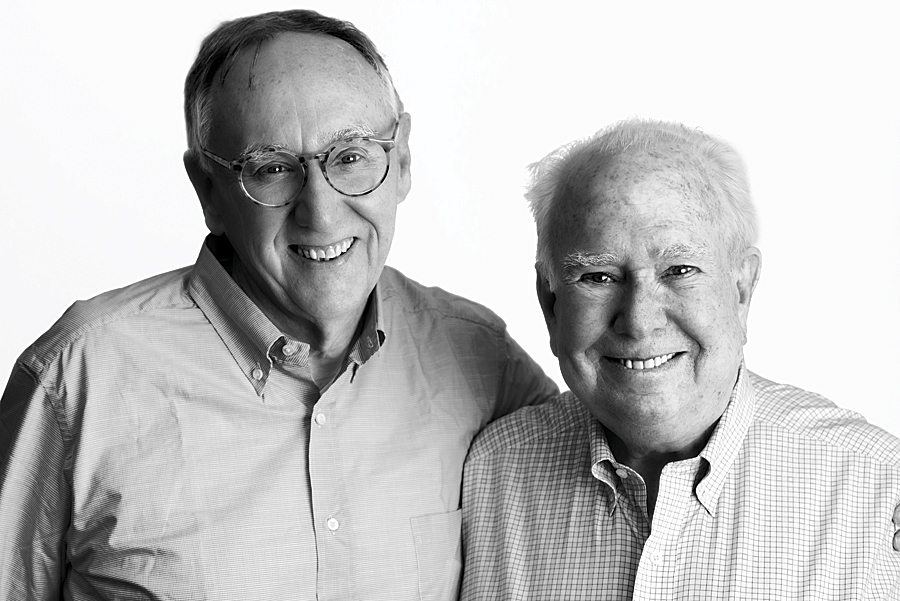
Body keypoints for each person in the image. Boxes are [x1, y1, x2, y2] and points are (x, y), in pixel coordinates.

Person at [0, 10, 557, 600]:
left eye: (350, 156)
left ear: (403, 162)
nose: (320, 211)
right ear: (208, 190)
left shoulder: (479, 360)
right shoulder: (79, 376)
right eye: (270, 170)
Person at [461, 119, 900, 599]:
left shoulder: (876, 489)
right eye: (599, 276)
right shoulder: (488, 473)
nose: (640, 322)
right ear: (550, 303)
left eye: (680, 270)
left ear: (741, 288)